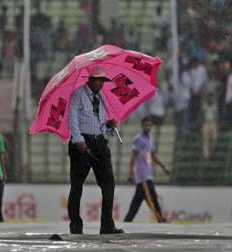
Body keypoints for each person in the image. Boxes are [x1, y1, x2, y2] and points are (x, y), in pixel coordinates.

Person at [68, 66, 124, 235]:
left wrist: (108, 125)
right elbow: (72, 118)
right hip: (82, 144)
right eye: (100, 80)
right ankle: (76, 226)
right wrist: (78, 139)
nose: (102, 84)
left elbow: (102, 125)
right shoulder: (78, 94)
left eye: (104, 81)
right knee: (77, 185)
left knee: (109, 184)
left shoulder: (101, 98)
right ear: (91, 80)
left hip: (99, 142)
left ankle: (107, 225)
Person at [124, 116, 169, 223]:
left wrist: (163, 167)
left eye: (150, 125)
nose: (148, 127)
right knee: (152, 199)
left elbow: (153, 156)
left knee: (138, 201)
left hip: (147, 175)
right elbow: (133, 157)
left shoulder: (150, 139)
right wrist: (131, 173)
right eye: (146, 125)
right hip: (143, 176)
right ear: (142, 125)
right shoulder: (138, 139)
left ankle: (127, 221)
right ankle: (160, 219)